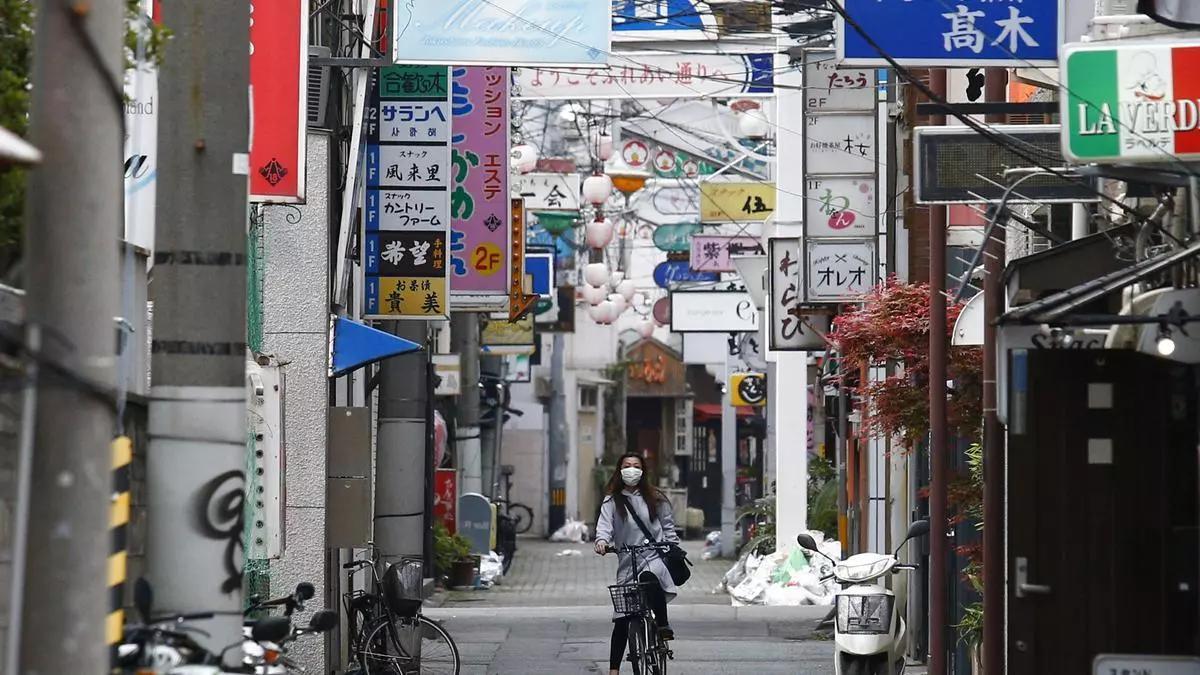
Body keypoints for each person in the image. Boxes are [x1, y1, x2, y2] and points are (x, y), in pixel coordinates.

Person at [594, 452, 680, 675]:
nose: (631, 470)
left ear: (642, 471)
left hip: (654, 556)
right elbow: (604, 527)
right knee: (623, 618)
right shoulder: (612, 501)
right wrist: (602, 542)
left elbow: (668, 527)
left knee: (649, 579)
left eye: (635, 466)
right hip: (627, 560)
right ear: (619, 470)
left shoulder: (656, 498)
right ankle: (614, 670)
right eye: (627, 466)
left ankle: (662, 625)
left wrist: (671, 545)